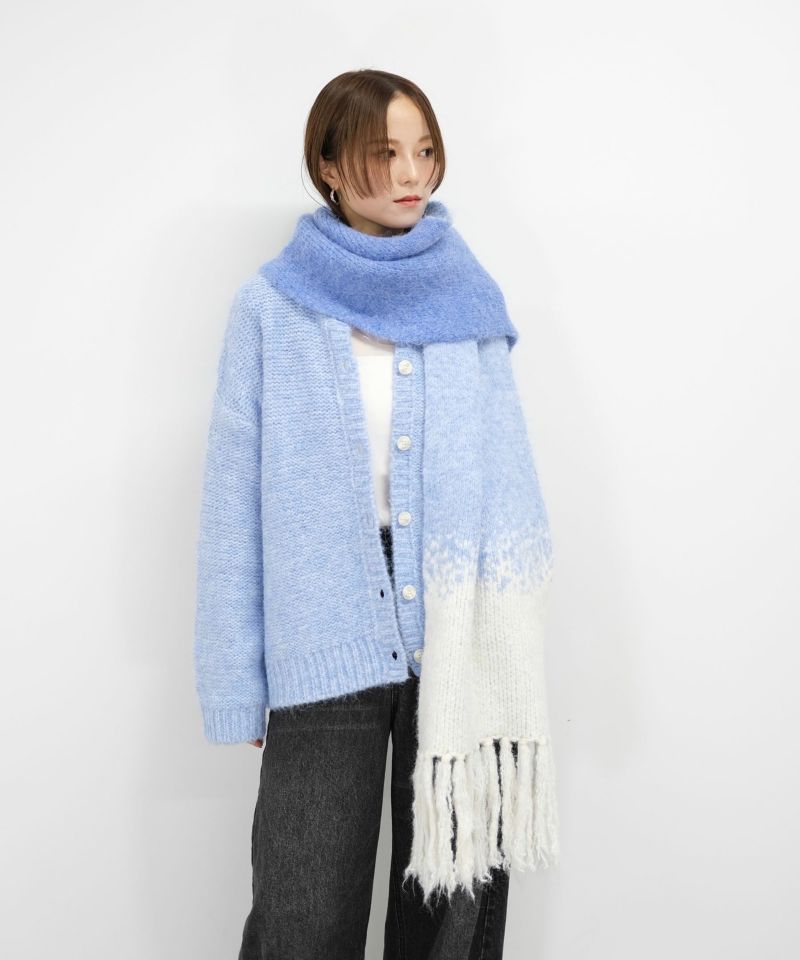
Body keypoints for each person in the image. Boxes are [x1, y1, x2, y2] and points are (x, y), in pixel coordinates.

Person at [194, 68, 560, 960]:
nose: (411, 174)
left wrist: (509, 626)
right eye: (384, 153)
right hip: (322, 625)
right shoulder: (272, 308)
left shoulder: (466, 296)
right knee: (303, 912)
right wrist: (235, 677)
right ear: (327, 166)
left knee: (453, 906)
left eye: (424, 151)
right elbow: (233, 507)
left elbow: (509, 476)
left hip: (461, 625)